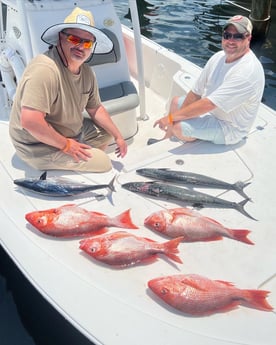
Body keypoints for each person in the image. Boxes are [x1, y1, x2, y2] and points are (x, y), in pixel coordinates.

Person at [9, 7, 127, 172]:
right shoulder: (45, 69)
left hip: (67, 131)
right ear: (60, 38)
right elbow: (30, 121)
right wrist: (66, 145)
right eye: (74, 38)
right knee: (104, 163)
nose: (80, 46)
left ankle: (76, 163)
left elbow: (95, 108)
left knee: (105, 134)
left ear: (92, 46)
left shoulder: (86, 72)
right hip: (36, 145)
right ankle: (71, 164)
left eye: (86, 42)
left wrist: (118, 136)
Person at [154, 15, 265, 146]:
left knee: (179, 127)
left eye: (238, 36)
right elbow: (196, 93)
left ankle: (178, 133)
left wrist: (172, 119)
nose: (231, 40)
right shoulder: (218, 57)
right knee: (175, 102)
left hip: (229, 128)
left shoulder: (247, 72)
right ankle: (168, 138)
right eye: (227, 35)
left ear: (248, 38)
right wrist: (176, 118)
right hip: (213, 111)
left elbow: (209, 104)